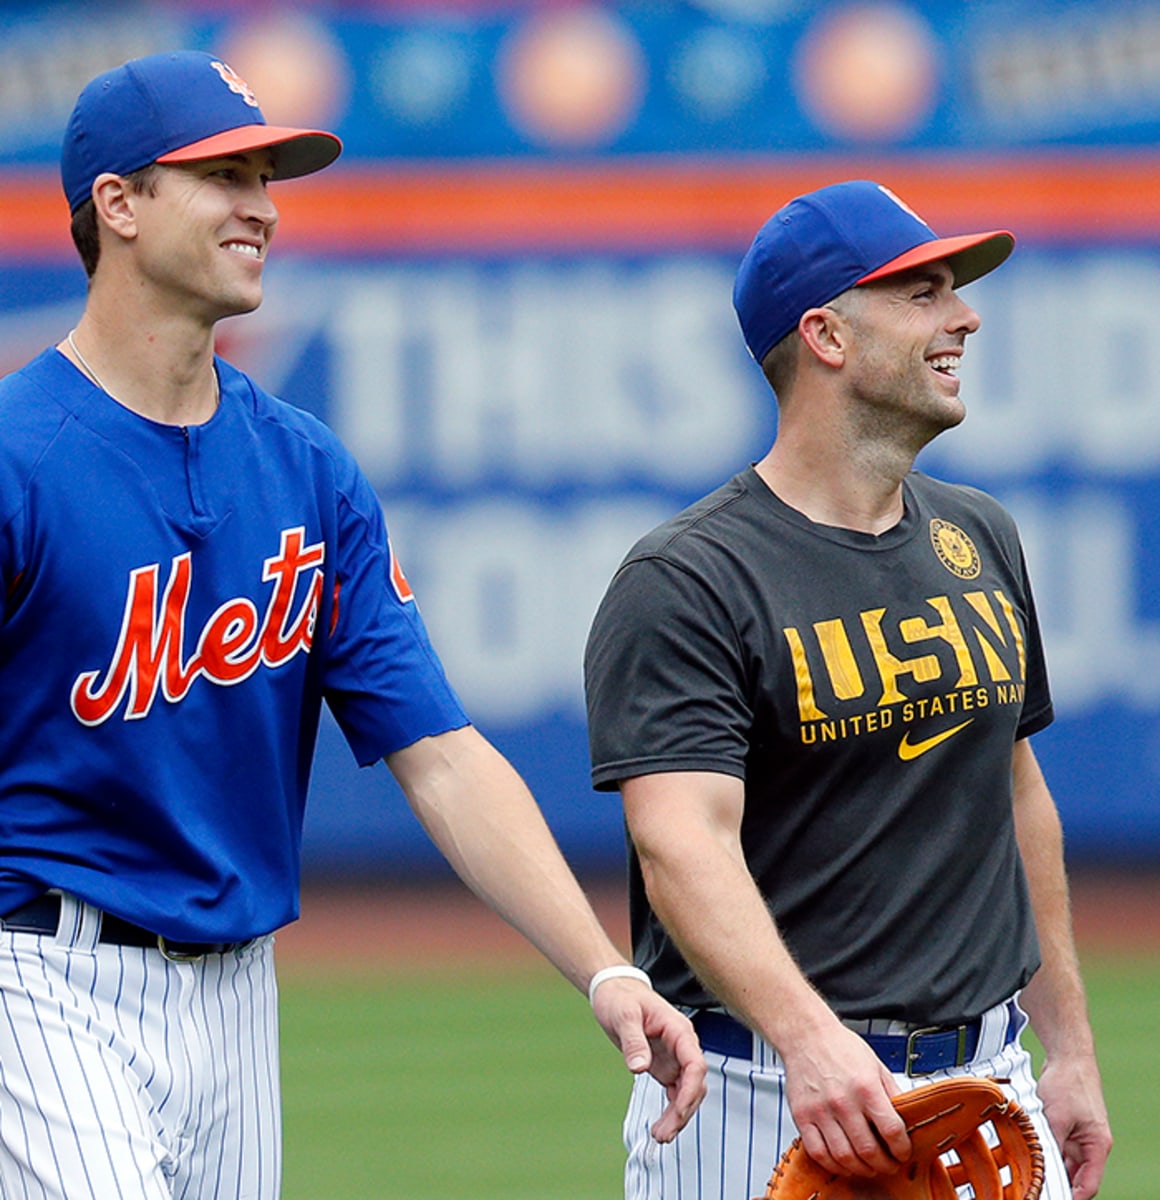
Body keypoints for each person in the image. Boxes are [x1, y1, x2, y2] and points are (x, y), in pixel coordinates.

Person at [0, 50, 705, 1200]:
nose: (261, 206)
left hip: (239, 998)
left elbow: (441, 757)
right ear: (117, 205)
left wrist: (602, 971)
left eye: (267, 177)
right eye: (221, 174)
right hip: (39, 973)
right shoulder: (18, 455)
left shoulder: (305, 466)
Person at [584, 181, 1112, 1200]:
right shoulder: (691, 578)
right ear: (824, 334)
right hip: (764, 1094)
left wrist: (1072, 1049)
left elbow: (1015, 799)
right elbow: (679, 843)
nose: (964, 314)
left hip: (991, 1093)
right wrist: (809, 1040)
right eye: (921, 291)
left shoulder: (978, 537)